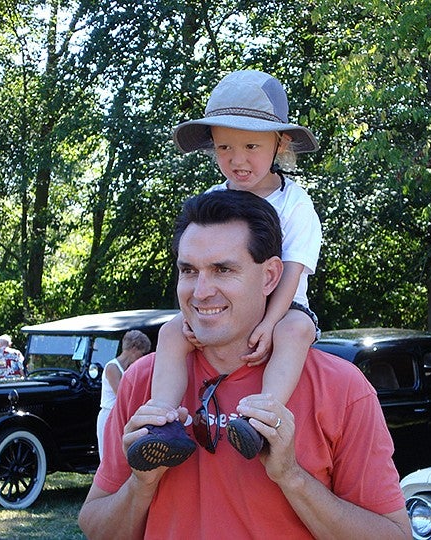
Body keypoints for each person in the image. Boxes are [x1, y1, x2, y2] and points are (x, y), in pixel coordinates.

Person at [78, 189, 411, 539]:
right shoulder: (143, 380)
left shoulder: (341, 387)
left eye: (223, 270)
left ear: (270, 276)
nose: (201, 290)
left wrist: (292, 477)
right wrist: (141, 483)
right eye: (188, 270)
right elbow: (96, 529)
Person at [127, 69, 323, 470]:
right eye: (224, 148)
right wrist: (191, 316)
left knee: (296, 332)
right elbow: (195, 267)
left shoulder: (296, 204)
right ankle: (162, 419)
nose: (237, 159)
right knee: (169, 333)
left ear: (280, 143)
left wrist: (268, 323)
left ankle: (260, 416)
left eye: (251, 145)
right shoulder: (212, 199)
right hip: (221, 311)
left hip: (283, 307)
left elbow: (292, 271)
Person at [96, 329, 151, 460]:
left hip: (122, 415)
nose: (141, 358)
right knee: (108, 456)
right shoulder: (112, 367)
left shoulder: (129, 369)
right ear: (133, 348)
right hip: (109, 415)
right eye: (141, 354)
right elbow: (123, 395)